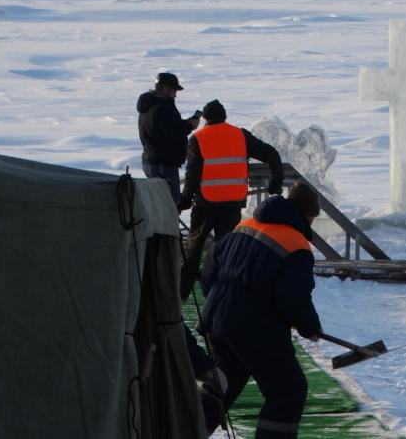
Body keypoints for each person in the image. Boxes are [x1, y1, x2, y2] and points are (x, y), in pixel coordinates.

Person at [200, 181, 323, 439]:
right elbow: (293, 297)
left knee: (223, 383)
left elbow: (209, 270)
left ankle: (182, 429)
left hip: (216, 319)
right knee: (288, 392)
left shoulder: (245, 225)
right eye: (313, 217)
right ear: (306, 214)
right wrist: (310, 327)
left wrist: (221, 304)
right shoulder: (297, 245)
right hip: (253, 327)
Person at [178, 99, 284, 299]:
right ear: (225, 117)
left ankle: (180, 295)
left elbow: (192, 176)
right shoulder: (240, 135)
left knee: (193, 250)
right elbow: (271, 154)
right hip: (232, 204)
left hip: (205, 205)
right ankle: (222, 295)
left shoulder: (198, 138)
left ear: (206, 119)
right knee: (226, 251)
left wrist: (184, 201)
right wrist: (275, 182)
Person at [136, 72, 200, 204]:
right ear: (164, 88)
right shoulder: (163, 107)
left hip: (153, 161)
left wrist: (186, 124)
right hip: (163, 164)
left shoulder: (150, 106)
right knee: (169, 205)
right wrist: (189, 125)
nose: (175, 94)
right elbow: (173, 133)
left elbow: (166, 128)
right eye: (174, 90)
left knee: (159, 205)